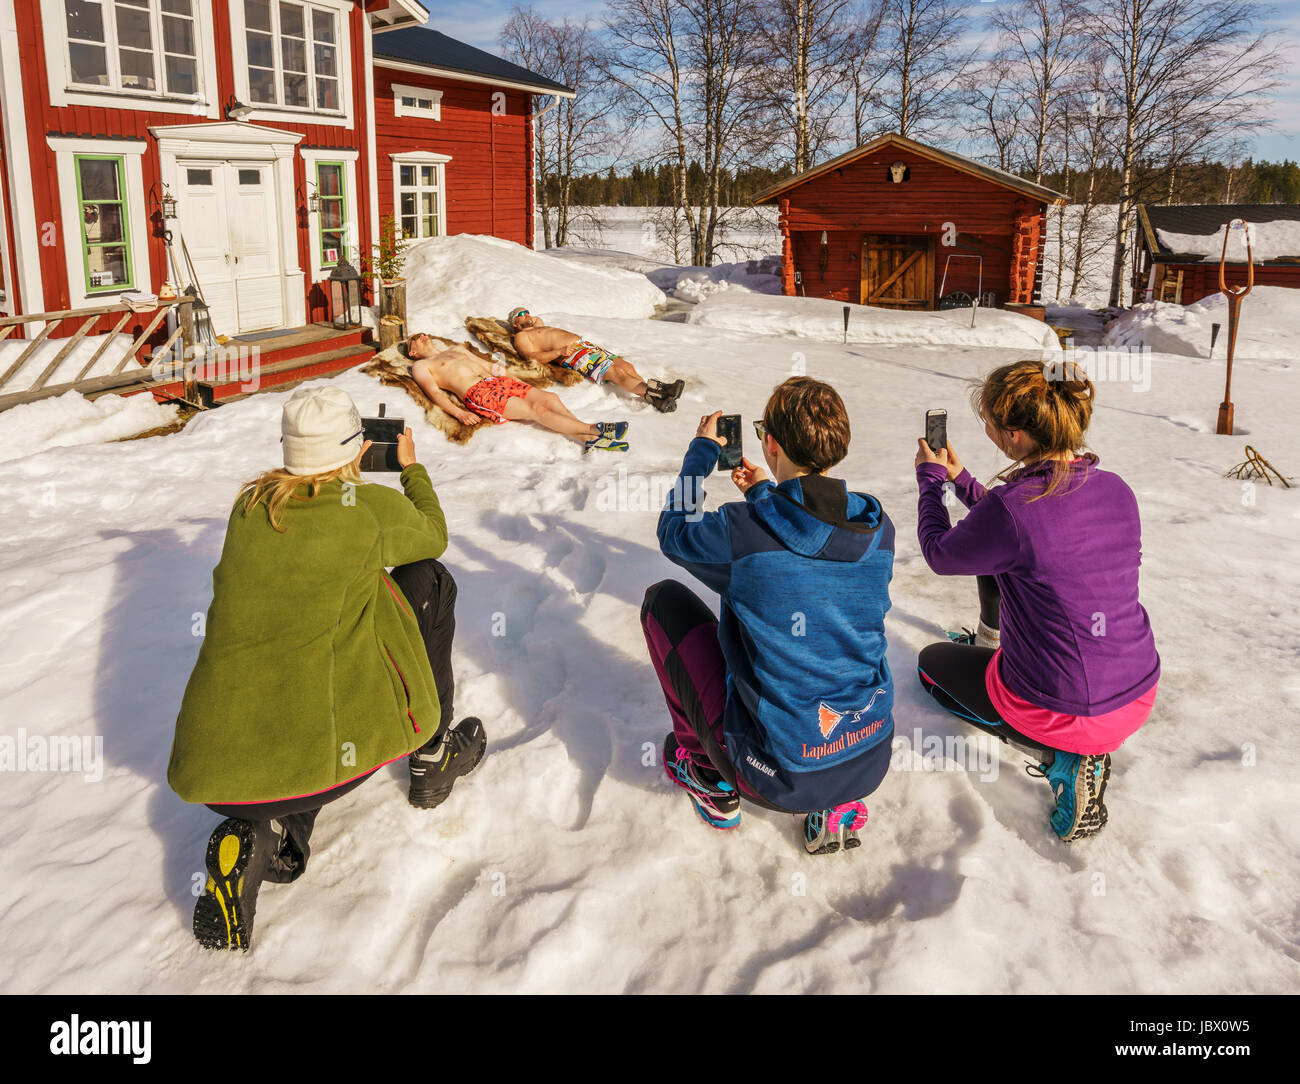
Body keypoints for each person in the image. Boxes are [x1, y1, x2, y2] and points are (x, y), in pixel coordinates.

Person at [168, 385, 487, 951]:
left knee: (307, 657)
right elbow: (433, 536)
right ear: (357, 448)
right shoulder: (367, 510)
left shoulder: (251, 507)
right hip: (318, 750)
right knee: (429, 581)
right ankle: (433, 758)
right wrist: (412, 470)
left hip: (220, 772)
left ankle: (277, 840)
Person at [641, 377, 895, 855]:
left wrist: (700, 453)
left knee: (663, 603)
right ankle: (838, 801)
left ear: (770, 442)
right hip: (868, 754)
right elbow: (811, 561)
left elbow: (674, 531)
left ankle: (709, 775)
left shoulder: (742, 534)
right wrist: (767, 495)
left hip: (776, 773)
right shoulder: (878, 529)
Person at [913, 359, 1160, 842]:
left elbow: (941, 554)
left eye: (987, 420)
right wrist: (962, 480)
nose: (983, 427)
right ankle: (1074, 740)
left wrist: (930, 483)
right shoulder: (1116, 489)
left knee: (930, 666)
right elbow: (1027, 531)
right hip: (1137, 691)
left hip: (1062, 705)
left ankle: (1062, 756)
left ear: (1014, 436)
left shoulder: (1012, 509)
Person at [406, 334, 628, 452]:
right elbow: (434, 393)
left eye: (423, 334)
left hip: (499, 382)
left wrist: (511, 377)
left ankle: (589, 439)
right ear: (413, 351)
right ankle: (593, 429)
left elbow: (486, 366)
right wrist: (458, 413)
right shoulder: (421, 366)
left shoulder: (456, 349)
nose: (423, 336)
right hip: (479, 393)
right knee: (537, 410)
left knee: (550, 398)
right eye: (416, 338)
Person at [507, 307, 684, 413]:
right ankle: (660, 391)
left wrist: (529, 318)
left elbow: (537, 320)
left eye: (528, 312)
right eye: (522, 313)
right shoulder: (521, 337)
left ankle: (657, 399)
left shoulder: (536, 325)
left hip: (586, 346)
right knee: (616, 373)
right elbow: (532, 357)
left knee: (625, 365)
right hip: (574, 355)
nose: (528, 315)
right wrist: (559, 351)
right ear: (515, 323)